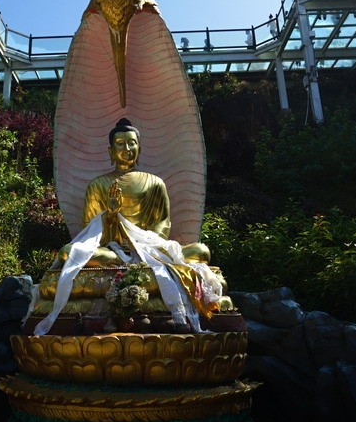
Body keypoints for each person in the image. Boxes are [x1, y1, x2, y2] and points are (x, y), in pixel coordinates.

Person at [36, 119, 221, 333]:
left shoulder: (154, 183)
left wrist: (143, 245)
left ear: (139, 148)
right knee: (70, 253)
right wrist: (111, 215)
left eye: (131, 143)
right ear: (110, 151)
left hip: (149, 251)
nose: (127, 149)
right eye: (120, 144)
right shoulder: (98, 185)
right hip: (111, 252)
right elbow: (91, 234)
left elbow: (163, 224)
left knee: (201, 252)